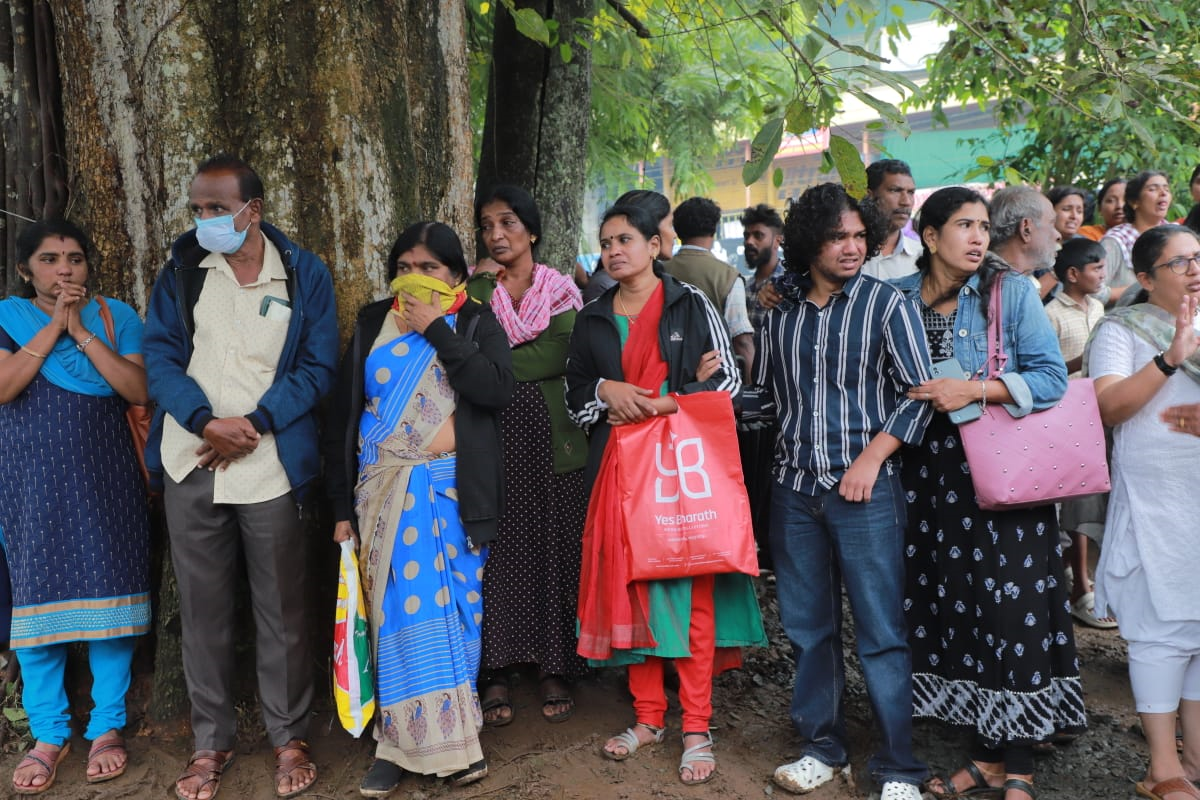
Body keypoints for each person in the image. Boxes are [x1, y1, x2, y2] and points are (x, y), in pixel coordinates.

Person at [144, 155, 338, 800]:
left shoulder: (303, 273)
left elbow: (317, 367)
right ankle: (210, 744)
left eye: (217, 209)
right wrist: (205, 422)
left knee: (281, 607)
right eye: (197, 209)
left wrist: (252, 423)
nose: (206, 220)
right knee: (202, 611)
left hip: (269, 462)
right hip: (191, 460)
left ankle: (289, 738)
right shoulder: (180, 273)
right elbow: (160, 357)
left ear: (252, 210)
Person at [565, 203, 765, 787]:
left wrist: (666, 401)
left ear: (656, 245)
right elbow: (576, 393)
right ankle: (649, 717)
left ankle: (697, 725)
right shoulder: (592, 315)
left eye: (625, 239)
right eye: (605, 242)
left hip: (680, 473)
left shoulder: (688, 302)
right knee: (637, 596)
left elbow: (726, 379)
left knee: (691, 598)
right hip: (619, 473)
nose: (612, 251)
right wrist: (607, 390)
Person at [893, 187, 1082, 800]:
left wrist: (974, 390)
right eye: (963, 226)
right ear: (929, 236)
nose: (978, 237)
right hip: (925, 478)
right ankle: (986, 757)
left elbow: (1051, 378)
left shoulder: (1009, 291)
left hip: (1000, 476)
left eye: (982, 225)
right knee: (959, 611)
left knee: (1011, 614)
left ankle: (1019, 762)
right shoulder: (894, 299)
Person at [325, 221, 513, 796]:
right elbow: (343, 420)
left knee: (458, 616)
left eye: (430, 266)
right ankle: (394, 744)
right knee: (395, 620)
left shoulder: (477, 320)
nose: (416, 275)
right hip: (385, 496)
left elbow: (495, 390)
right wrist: (339, 508)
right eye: (406, 264)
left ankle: (457, 741)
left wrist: (439, 331)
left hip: (456, 494)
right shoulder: (372, 322)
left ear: (457, 274)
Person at [759, 184, 932, 800]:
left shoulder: (888, 306)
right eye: (838, 237)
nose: (853, 247)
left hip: (867, 493)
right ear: (810, 243)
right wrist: (701, 388)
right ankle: (822, 749)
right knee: (809, 630)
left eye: (860, 235)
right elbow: (768, 402)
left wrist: (870, 460)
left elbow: (921, 396)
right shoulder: (778, 314)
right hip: (795, 491)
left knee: (881, 633)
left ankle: (897, 767)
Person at [0, 219, 150, 794]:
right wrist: (52, 329)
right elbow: (5, 387)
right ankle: (48, 733)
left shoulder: (118, 318)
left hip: (105, 479)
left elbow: (135, 390)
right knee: (37, 610)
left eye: (75, 258)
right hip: (27, 486)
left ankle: (107, 725)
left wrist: (82, 330)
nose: (64, 268)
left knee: (112, 601)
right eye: (48, 259)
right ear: (24, 270)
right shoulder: (8, 318)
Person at [469, 185, 588, 727]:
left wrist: (492, 364)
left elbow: (561, 353)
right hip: (490, 442)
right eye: (488, 225)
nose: (497, 235)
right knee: (494, 553)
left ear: (532, 231)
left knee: (552, 547)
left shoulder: (562, 289)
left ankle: (553, 665)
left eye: (509, 223)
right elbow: (461, 353)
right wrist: (488, 363)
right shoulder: (471, 291)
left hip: (554, 443)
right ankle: (492, 671)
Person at [1089, 224, 1200, 800]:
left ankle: (1196, 760)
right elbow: (1109, 407)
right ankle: (1162, 768)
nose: (1193, 270)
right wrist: (1169, 358)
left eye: (1198, 258)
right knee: (1162, 630)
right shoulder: (1121, 328)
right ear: (1145, 278)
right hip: (1157, 500)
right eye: (1179, 263)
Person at [1044, 238, 1116, 629]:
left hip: (1096, 414)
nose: (1103, 276)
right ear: (1073, 275)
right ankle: (1079, 587)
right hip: (1065, 417)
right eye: (1097, 270)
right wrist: (1087, 359)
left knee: (1090, 498)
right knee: (1074, 499)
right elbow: (1049, 370)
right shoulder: (1052, 313)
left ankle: (1078, 577)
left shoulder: (1100, 308)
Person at [665, 196, 754, 381]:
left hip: (664, 378)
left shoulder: (658, 271)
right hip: (713, 381)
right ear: (715, 229)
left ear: (678, 231)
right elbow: (742, 341)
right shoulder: (728, 277)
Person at [582, 189, 675, 304]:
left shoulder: (686, 295)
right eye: (670, 225)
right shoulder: (604, 287)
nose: (674, 235)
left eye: (624, 240)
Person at [1102, 170, 1173, 305]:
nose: (1163, 193)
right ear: (1134, 201)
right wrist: (1146, 287)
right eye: (1153, 189)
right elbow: (1096, 292)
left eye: (1166, 189)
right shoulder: (1115, 241)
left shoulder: (1177, 236)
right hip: (1125, 320)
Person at [988, 185, 1062, 301]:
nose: (1058, 235)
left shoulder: (987, 279)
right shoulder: (1009, 289)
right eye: (1051, 224)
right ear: (1026, 229)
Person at [861, 159, 921, 280]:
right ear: (869, 196)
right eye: (895, 190)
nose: (906, 202)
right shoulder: (848, 253)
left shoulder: (922, 256)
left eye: (911, 192)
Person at [741, 204, 785, 338]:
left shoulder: (789, 284)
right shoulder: (745, 287)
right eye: (746, 235)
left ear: (777, 241)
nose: (749, 241)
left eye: (758, 235)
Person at [1079, 177, 1126, 242]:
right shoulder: (1086, 233)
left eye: (1126, 200)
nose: (1120, 206)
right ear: (1099, 208)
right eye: (1111, 200)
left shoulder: (1142, 236)